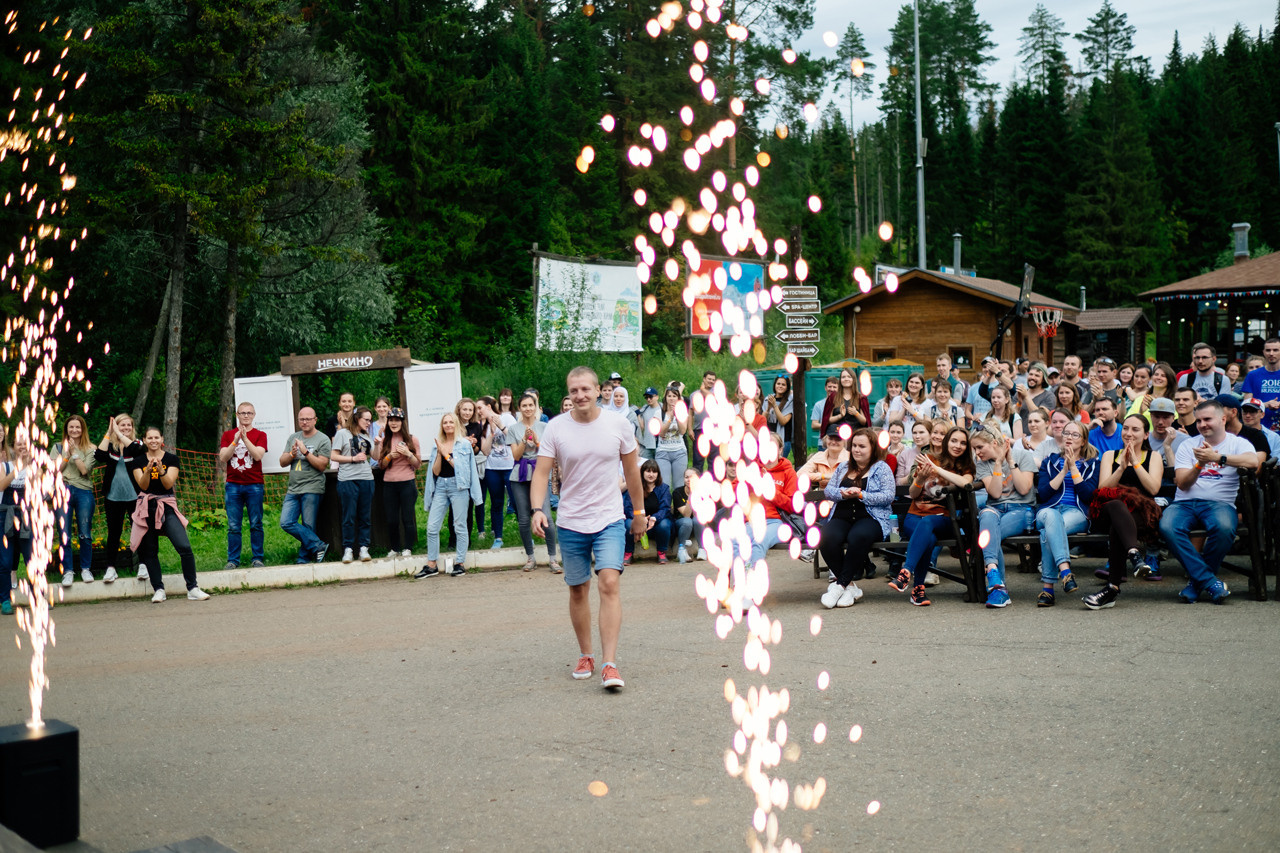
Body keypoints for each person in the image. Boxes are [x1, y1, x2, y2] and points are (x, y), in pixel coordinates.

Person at [530, 366, 644, 691]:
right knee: (578, 589)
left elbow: (632, 472)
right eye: (573, 390)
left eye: (585, 389)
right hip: (570, 520)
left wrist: (638, 511)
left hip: (609, 518)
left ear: (598, 391)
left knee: (609, 582)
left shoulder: (618, 425)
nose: (580, 395)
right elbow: (540, 474)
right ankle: (586, 654)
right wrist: (538, 509)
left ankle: (610, 664)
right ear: (568, 394)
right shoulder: (555, 428)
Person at [1159, 400, 1260, 604]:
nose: (1202, 424)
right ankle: (1209, 581)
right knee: (1167, 526)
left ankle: (1197, 583)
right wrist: (1200, 464)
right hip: (1184, 503)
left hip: (1220, 503)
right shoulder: (1189, 444)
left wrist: (1218, 457)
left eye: (1207, 419)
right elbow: (1183, 484)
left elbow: (1253, 461)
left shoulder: (1237, 443)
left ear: (1223, 419)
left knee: (1223, 528)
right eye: (1199, 421)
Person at [1082, 414, 1164, 609]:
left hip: (1141, 514)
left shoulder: (1153, 457)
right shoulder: (1110, 455)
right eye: (1125, 428)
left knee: (1118, 528)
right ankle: (1134, 555)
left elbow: (1153, 489)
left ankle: (1112, 589)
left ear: (1146, 435)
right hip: (1109, 512)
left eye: (1135, 430)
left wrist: (1135, 462)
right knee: (1116, 505)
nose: (1128, 433)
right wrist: (1120, 468)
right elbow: (1102, 489)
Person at [887, 426, 974, 606]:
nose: (958, 445)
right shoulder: (928, 460)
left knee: (928, 523)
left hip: (945, 519)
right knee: (928, 537)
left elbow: (965, 483)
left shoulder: (965, 467)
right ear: (946, 441)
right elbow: (913, 493)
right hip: (914, 515)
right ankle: (918, 591)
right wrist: (919, 480)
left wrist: (937, 469)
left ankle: (906, 571)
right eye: (954, 441)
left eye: (963, 443)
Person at [128, 427, 209, 602]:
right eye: (149, 438)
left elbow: (168, 484)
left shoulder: (171, 459)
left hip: (166, 505)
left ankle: (192, 588)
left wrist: (161, 470)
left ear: (161, 439)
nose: (153, 440)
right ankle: (158, 589)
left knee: (184, 547)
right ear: (145, 440)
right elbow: (142, 485)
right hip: (146, 507)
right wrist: (148, 470)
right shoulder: (137, 461)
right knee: (150, 551)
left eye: (156, 437)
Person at [818, 428, 895, 608]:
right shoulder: (844, 467)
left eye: (862, 446)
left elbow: (888, 496)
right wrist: (843, 493)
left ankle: (839, 585)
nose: (857, 450)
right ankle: (850, 586)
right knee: (827, 538)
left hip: (870, 517)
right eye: (854, 446)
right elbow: (829, 491)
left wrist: (862, 495)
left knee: (858, 537)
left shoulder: (882, 468)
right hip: (842, 515)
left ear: (872, 448)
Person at [971, 426, 1038, 608]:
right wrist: (999, 464)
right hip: (996, 509)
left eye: (979, 447)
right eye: (975, 449)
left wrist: (1010, 461)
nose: (977, 453)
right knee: (986, 514)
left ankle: (998, 590)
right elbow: (995, 492)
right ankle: (994, 574)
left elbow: (1024, 489)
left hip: (1022, 510)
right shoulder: (983, 464)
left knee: (991, 534)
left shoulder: (1023, 456)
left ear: (994, 443)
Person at [1033, 421, 1099, 607]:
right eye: (1066, 433)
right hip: (1048, 511)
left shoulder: (1092, 464)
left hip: (1076, 512)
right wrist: (1063, 471)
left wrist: (1074, 468)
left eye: (1075, 434)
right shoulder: (1050, 461)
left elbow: (1088, 496)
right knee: (1051, 518)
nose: (1069, 437)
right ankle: (1065, 572)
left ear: (1084, 440)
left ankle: (1047, 590)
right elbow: (1044, 494)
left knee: (1048, 532)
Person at [418, 412, 482, 578]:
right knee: (432, 527)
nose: (448, 425)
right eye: (445, 423)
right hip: (440, 486)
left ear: (456, 425)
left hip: (458, 487)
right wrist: (440, 452)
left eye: (451, 422)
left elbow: (462, 470)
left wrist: (446, 454)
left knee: (459, 526)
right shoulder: (437, 445)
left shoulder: (464, 445)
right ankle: (431, 565)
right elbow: (435, 471)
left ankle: (460, 563)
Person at [508, 393, 560, 572]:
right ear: (519, 408)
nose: (528, 409)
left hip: (539, 472)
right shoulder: (513, 429)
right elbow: (515, 455)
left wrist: (537, 441)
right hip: (520, 474)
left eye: (531, 405)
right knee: (523, 519)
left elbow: (548, 451)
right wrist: (524, 439)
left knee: (546, 516)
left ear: (537, 407)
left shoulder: (545, 427)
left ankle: (553, 559)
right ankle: (530, 558)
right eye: (524, 406)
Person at [278, 407, 332, 563]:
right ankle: (318, 545)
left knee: (308, 525)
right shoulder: (293, 437)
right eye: (302, 419)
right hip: (293, 488)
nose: (305, 422)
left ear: (315, 420)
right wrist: (292, 454)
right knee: (286, 522)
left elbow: (322, 465)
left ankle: (303, 559)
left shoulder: (322, 439)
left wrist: (306, 452)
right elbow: (282, 462)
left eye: (308, 419)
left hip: (312, 487)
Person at [218, 401, 267, 570]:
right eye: (242, 413)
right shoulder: (228, 434)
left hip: (254, 484)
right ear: (237, 415)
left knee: (256, 523)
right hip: (233, 485)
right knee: (233, 526)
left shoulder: (260, 435)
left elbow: (257, 456)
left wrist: (245, 439)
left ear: (253, 415)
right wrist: (234, 441)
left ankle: (257, 558)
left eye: (249, 413)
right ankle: (233, 560)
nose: (246, 416)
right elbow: (223, 458)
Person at [95, 413, 144, 579]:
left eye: (128, 425)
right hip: (113, 497)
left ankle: (143, 565)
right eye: (122, 425)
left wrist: (121, 434)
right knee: (113, 533)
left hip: (135, 497)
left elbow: (138, 452)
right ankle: (111, 568)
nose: (126, 428)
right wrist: (110, 432)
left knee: (139, 530)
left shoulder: (137, 444)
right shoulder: (111, 446)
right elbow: (98, 456)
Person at [53, 415, 98, 585]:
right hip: (62, 490)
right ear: (66, 429)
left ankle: (86, 569)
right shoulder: (57, 447)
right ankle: (68, 571)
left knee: (85, 532)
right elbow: (56, 470)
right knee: (64, 533)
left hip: (83, 491)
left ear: (82, 429)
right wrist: (66, 454)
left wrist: (75, 454)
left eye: (77, 427)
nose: (74, 430)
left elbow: (84, 470)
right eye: (71, 427)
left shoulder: (91, 448)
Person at [375, 407, 421, 559]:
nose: (394, 423)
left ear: (402, 422)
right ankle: (394, 548)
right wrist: (389, 456)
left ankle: (408, 547)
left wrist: (408, 454)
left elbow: (417, 464)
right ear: (387, 422)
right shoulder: (385, 440)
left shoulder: (412, 439)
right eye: (391, 420)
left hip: (407, 482)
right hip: (389, 483)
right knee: (392, 519)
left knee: (407, 518)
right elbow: (381, 465)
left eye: (397, 420)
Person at [331, 405, 375, 563]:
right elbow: (333, 456)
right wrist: (352, 459)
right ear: (357, 418)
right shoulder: (342, 433)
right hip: (347, 479)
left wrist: (380, 443)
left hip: (366, 478)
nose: (369, 423)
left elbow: (374, 455)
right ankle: (348, 549)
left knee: (365, 516)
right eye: (366, 419)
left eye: (370, 420)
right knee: (348, 516)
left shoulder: (368, 436)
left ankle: (364, 548)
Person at [0, 430, 33, 614]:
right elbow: (1, 486)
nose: (22, 446)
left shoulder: (34, 466)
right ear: (14, 447)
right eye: (19, 443)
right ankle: (5, 600)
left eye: (25, 443)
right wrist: (18, 468)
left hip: (26, 516)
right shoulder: (5, 466)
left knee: (31, 558)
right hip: (5, 516)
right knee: (5, 561)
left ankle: (37, 597)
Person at [477, 395, 514, 549]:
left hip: (510, 467)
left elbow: (517, 440)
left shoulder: (508, 418)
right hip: (493, 468)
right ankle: (498, 538)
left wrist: (502, 427)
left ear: (489, 407)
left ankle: (527, 536)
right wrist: (492, 433)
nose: (478, 411)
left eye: (480, 408)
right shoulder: (483, 426)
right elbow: (485, 451)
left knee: (516, 502)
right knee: (496, 503)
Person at [623, 459, 673, 564]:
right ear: (642, 473)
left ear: (658, 474)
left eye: (654, 472)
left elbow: (665, 508)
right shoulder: (635, 487)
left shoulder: (663, 489)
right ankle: (628, 553)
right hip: (638, 522)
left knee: (665, 524)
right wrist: (639, 519)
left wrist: (654, 518)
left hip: (656, 524)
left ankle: (661, 552)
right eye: (648, 471)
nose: (651, 474)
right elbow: (628, 507)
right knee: (628, 523)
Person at [1239, 337, 1280, 430]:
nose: (1271, 353)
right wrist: (1265, 404)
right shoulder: (1253, 375)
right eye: (1268, 350)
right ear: (1263, 352)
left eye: (1275, 350)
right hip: (1258, 427)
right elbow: (1246, 403)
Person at [1217, 394, 1270, 465]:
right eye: (1245, 411)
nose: (1248, 415)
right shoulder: (1211, 434)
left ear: (1234, 412)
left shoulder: (1256, 436)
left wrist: (1218, 458)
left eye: (1218, 410)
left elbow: (1256, 470)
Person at [655, 386, 690, 486]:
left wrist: (677, 415)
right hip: (663, 452)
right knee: (664, 485)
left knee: (679, 486)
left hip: (679, 452)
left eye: (674, 396)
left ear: (678, 398)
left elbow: (683, 431)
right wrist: (670, 419)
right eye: (669, 396)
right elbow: (661, 433)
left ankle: (679, 502)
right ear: (665, 398)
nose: (671, 398)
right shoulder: (659, 413)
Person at [820, 368, 870, 436]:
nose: (846, 379)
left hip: (855, 436)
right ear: (840, 380)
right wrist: (840, 415)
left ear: (853, 379)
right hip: (837, 435)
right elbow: (827, 420)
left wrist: (856, 413)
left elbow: (865, 422)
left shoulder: (861, 398)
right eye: (843, 377)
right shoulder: (833, 397)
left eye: (849, 377)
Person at [672, 468, 704, 563]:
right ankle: (682, 551)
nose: (689, 480)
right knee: (688, 521)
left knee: (697, 519)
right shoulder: (677, 492)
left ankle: (702, 549)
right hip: (681, 522)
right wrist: (691, 496)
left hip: (697, 523)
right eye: (686, 477)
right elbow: (686, 515)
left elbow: (698, 514)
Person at [691, 370, 719, 472]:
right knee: (698, 460)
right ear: (704, 379)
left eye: (713, 380)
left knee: (713, 460)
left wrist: (703, 389)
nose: (711, 381)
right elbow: (691, 413)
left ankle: (713, 484)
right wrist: (690, 429)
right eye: (709, 379)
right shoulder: (694, 395)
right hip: (699, 430)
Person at [1015, 363, 1056, 427]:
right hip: (1018, 434)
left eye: (1037, 375)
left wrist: (1026, 397)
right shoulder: (1020, 392)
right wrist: (1019, 403)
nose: (1032, 377)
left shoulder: (1049, 396)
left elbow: (1040, 416)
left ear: (1043, 380)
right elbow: (1011, 415)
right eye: (1031, 374)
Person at [764, 375, 794, 458]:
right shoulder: (768, 399)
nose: (780, 386)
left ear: (787, 387)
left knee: (778, 464)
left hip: (783, 440)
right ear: (775, 385)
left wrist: (774, 406)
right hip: (768, 439)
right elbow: (763, 420)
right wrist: (768, 408)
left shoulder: (790, 401)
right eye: (778, 383)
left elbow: (783, 421)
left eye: (783, 385)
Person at [895, 422, 931, 486]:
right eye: (914, 433)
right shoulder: (905, 454)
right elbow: (898, 481)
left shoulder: (935, 454)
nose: (917, 436)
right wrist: (915, 474)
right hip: (906, 494)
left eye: (921, 432)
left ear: (930, 434)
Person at [635, 387, 662, 461]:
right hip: (647, 444)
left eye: (650, 397)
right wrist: (638, 415)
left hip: (660, 444)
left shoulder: (662, 408)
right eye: (646, 397)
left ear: (657, 397)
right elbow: (642, 426)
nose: (648, 399)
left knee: (660, 469)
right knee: (646, 467)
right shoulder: (645, 409)